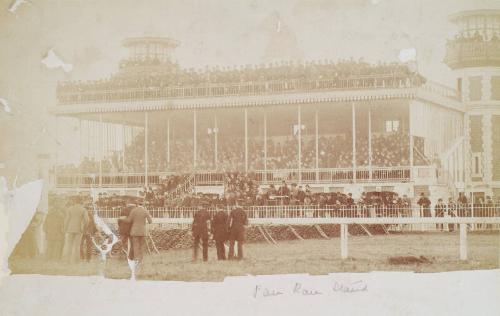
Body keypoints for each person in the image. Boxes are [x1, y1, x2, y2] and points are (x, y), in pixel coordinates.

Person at [62, 198, 89, 263]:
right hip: (79, 229)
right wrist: (84, 228)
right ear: (81, 201)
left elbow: (66, 220)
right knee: (77, 246)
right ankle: (76, 261)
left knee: (69, 245)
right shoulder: (83, 209)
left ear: (75, 201)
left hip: (70, 229)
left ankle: (68, 261)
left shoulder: (70, 209)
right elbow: (87, 220)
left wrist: (65, 229)